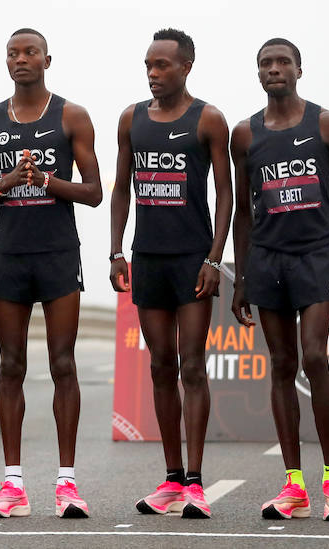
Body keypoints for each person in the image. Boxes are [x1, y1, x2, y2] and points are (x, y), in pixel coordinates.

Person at [230, 38, 329, 522]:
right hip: (266, 260)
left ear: (299, 70)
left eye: (283, 62)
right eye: (265, 63)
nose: (274, 69)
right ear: (258, 73)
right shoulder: (244, 134)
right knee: (282, 364)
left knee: (313, 355)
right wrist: (241, 276)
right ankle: (294, 487)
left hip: (314, 256)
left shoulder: (325, 124)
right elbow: (244, 214)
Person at [0, 28, 102, 518]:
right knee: (12, 367)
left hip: (58, 253)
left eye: (29, 53)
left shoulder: (71, 115)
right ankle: (13, 486)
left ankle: (67, 484)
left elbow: (94, 192)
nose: (21, 59)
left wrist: (45, 179)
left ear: (48, 59)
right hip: (10, 254)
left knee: (62, 363)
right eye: (12, 53)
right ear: (5, 62)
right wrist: (6, 182)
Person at [109, 28, 232, 519]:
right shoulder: (132, 119)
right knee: (160, 364)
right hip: (149, 257)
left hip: (192, 261)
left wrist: (214, 258)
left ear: (186, 67)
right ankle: (172, 478)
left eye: (162, 66)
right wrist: (116, 251)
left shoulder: (209, 119)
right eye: (148, 66)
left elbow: (226, 194)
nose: (153, 74)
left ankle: (197, 483)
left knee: (191, 364)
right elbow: (122, 188)